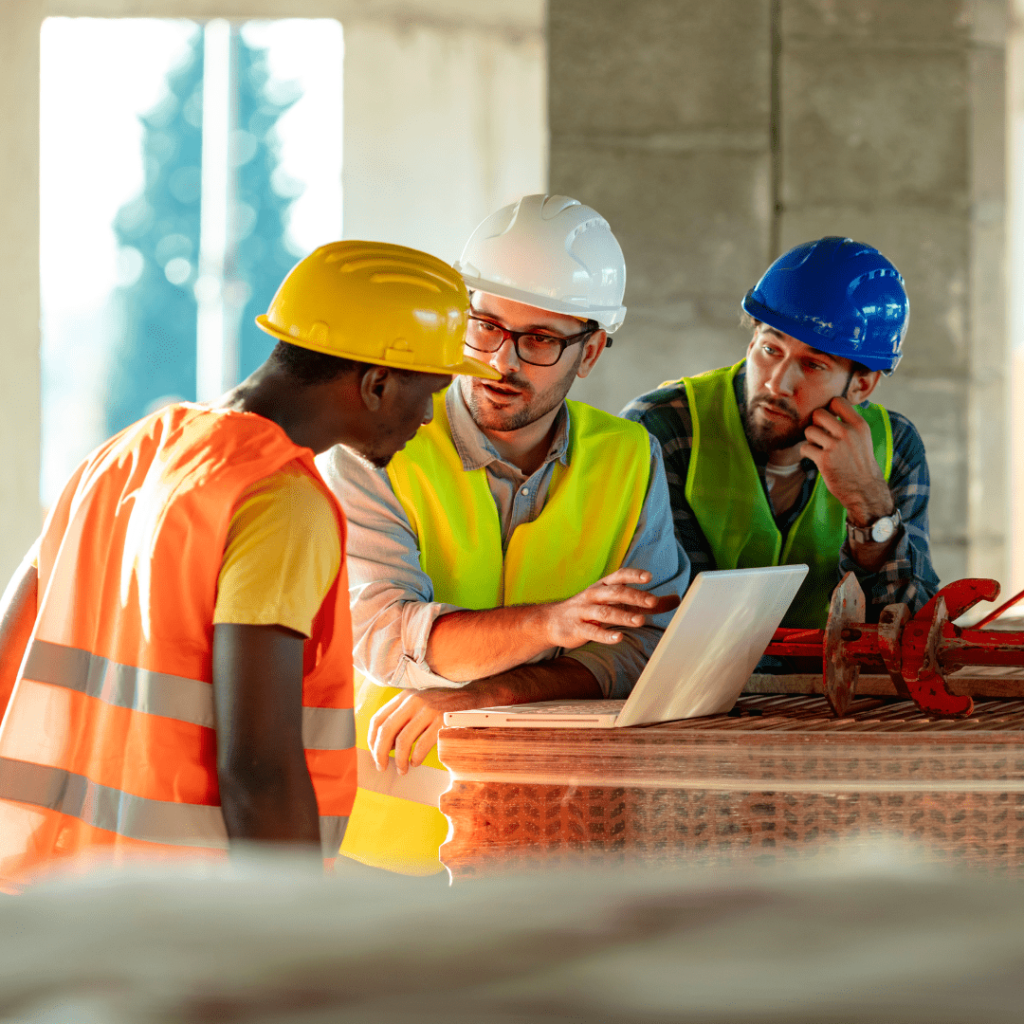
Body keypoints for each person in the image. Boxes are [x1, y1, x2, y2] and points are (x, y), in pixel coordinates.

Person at [0, 240, 497, 890]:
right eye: (429, 390)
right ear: (377, 382)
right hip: (189, 912)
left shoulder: (122, 456)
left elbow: (12, 649)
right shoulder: (278, 500)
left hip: (52, 892)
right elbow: (258, 770)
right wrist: (282, 935)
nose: (428, 416)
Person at [319, 194, 689, 876]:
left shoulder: (629, 457)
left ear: (594, 349)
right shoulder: (373, 445)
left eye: (540, 339)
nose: (500, 360)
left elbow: (645, 653)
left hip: (555, 837)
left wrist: (492, 694)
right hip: (380, 842)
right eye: (484, 325)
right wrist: (554, 626)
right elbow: (383, 638)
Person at [622, 236, 939, 632]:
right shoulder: (663, 428)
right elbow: (670, 616)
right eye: (771, 350)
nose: (777, 384)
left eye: (813, 365)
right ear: (753, 338)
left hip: (831, 692)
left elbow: (912, 631)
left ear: (862, 386)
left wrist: (871, 506)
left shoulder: (895, 448)